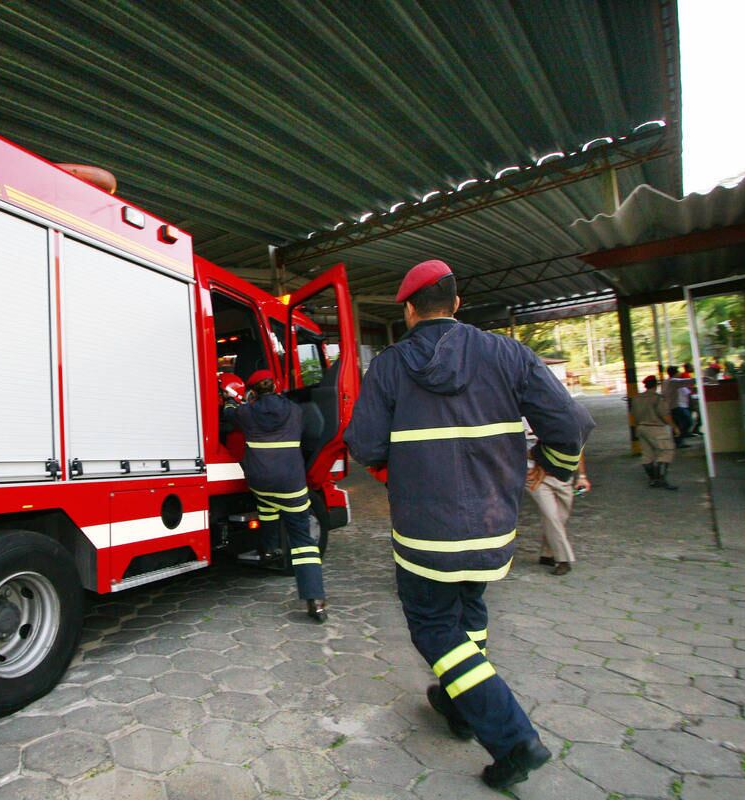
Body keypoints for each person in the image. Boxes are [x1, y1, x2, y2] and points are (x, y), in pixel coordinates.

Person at [344, 259, 593, 790]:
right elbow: (570, 422)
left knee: (434, 625)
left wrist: (397, 471)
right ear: (456, 304)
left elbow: (363, 444)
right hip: (491, 526)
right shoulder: (507, 353)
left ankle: (513, 738)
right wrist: (555, 466)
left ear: (409, 310)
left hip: (424, 532)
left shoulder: (389, 365)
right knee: (470, 608)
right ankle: (459, 705)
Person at [222, 369, 327, 622]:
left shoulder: (246, 413)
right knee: (303, 541)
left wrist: (231, 400)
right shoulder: (295, 411)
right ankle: (315, 600)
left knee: (267, 506)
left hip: (260, 482)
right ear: (275, 386)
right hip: (291, 484)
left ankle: (270, 549)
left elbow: (227, 414)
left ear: (253, 392)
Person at [525, 417, 590, 576]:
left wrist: (581, 475)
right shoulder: (519, 419)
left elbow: (577, 448)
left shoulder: (566, 419)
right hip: (534, 476)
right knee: (551, 516)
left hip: (562, 475)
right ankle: (563, 560)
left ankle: (547, 553)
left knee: (560, 517)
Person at [633, 374, 679, 490]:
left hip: (641, 428)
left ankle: (652, 479)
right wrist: (674, 427)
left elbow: (633, 414)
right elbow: (665, 415)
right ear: (656, 385)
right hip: (656, 428)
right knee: (667, 451)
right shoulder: (657, 398)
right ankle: (660, 479)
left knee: (647, 455)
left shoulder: (636, 398)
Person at [664, 366, 692, 447]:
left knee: (677, 424)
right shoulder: (674, 381)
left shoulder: (666, 382)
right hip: (678, 406)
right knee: (688, 421)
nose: (680, 373)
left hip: (671, 406)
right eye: (678, 371)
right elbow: (689, 382)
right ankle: (679, 439)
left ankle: (678, 442)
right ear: (675, 373)